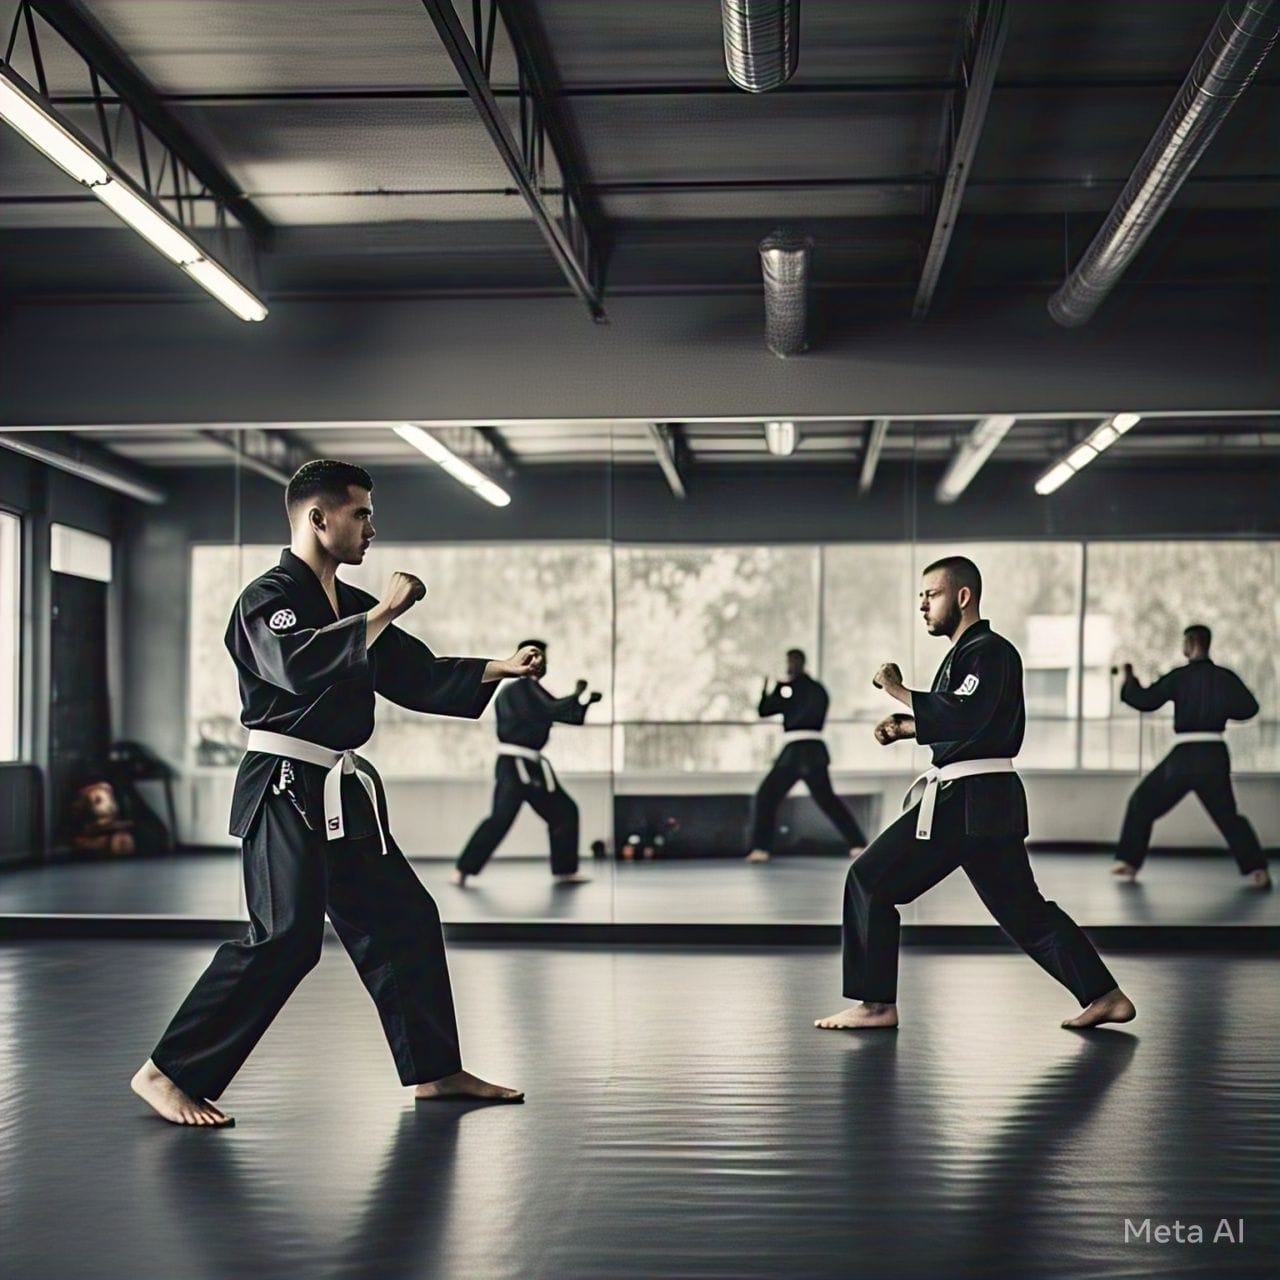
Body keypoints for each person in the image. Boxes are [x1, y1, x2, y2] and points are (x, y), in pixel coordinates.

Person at [132, 459, 541, 1127]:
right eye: (362, 514)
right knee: (286, 938)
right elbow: (296, 667)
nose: (372, 528)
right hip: (283, 785)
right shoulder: (267, 599)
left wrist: (502, 666)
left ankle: (435, 1071)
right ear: (319, 519)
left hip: (339, 790)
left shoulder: (348, 605)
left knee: (404, 919)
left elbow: (414, 672)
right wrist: (383, 610)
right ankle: (167, 1072)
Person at [816, 556, 1135, 1033]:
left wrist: (899, 691)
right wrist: (909, 728)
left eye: (933, 594)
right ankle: (1105, 996)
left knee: (869, 880)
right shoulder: (967, 655)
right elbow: (970, 720)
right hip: (983, 800)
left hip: (969, 798)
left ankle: (876, 1004)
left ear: (963, 596)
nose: (922, 605)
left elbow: (967, 713)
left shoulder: (990, 650)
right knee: (1024, 912)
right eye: (920, 596)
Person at [1112, 625, 1270, 887]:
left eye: (1185, 642)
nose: (1183, 647)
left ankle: (1128, 863)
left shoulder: (1180, 677)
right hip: (1214, 754)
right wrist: (1221, 705)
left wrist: (1129, 679)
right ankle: (1258, 870)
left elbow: (1145, 700)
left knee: (1142, 801)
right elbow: (1249, 708)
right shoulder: (1224, 677)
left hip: (1184, 756)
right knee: (1229, 816)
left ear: (1192, 642)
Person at [452, 641, 602, 886]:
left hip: (530, 765)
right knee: (500, 819)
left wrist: (584, 702)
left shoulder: (532, 690)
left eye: (541, 659)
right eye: (532, 657)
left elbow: (563, 714)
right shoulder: (518, 690)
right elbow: (552, 709)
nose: (538, 663)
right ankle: (462, 870)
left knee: (564, 812)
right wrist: (577, 695)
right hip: (514, 766)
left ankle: (565, 869)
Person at [745, 649, 866, 863]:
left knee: (826, 800)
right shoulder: (787, 690)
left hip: (808, 749)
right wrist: (770, 688)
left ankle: (858, 843)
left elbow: (807, 714)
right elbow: (764, 710)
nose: (789, 666)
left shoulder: (814, 689)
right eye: (788, 662)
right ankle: (761, 848)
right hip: (794, 750)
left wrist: (785, 689)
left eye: (792, 661)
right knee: (767, 796)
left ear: (801, 662)